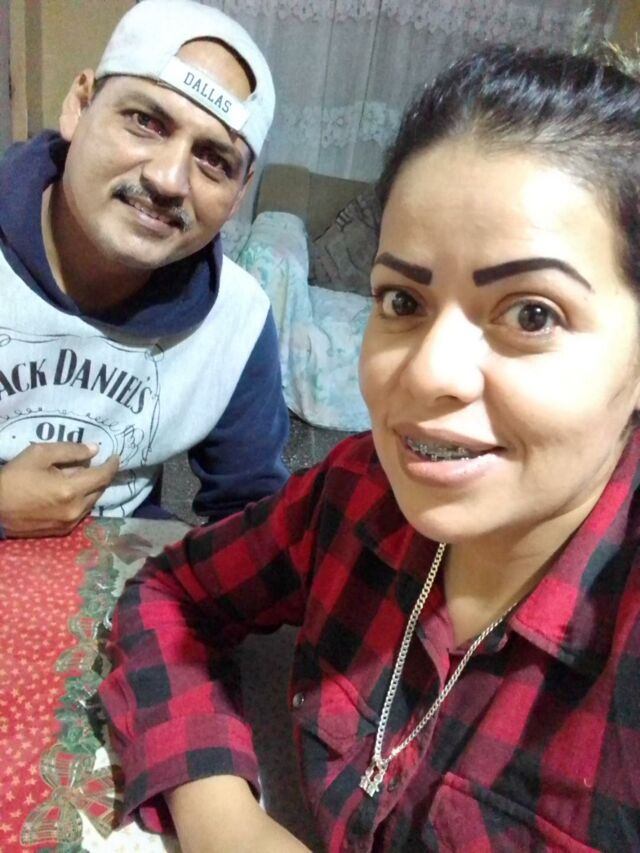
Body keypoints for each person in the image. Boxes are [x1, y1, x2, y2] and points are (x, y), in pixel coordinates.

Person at [99, 43, 640, 851]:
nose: (427, 373)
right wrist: (222, 817)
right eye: (402, 300)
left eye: (532, 313)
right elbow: (170, 594)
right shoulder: (356, 493)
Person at [0, 0, 289, 538]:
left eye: (213, 160)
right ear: (80, 106)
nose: (169, 179)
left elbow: (251, 516)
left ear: (239, 193)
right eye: (146, 122)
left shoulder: (237, 321)